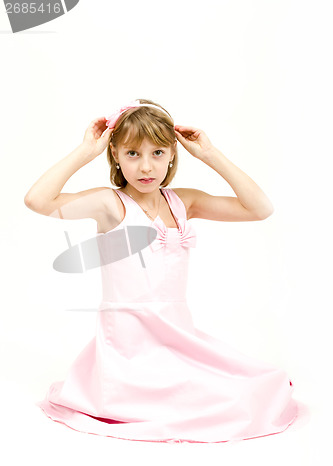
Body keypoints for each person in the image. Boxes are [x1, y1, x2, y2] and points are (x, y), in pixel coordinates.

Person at [24, 98, 298, 443]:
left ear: (172, 154)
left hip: (177, 338)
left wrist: (210, 154)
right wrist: (83, 152)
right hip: (129, 346)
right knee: (190, 405)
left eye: (157, 153)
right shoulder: (111, 205)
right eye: (133, 154)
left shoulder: (183, 202)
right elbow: (38, 200)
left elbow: (260, 208)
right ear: (116, 155)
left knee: (252, 389)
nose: (145, 167)